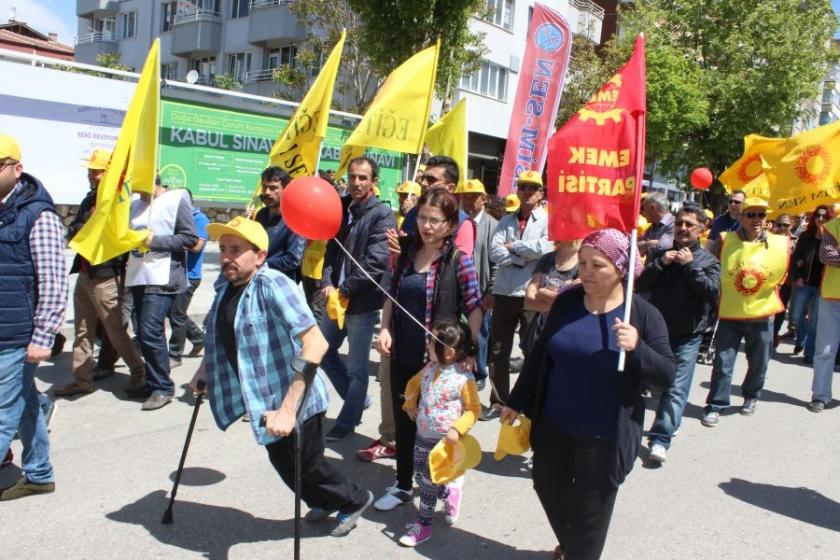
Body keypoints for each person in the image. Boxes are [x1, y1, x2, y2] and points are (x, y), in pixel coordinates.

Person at [189, 217, 372, 536]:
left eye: (236, 249)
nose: (227, 257)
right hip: (264, 402)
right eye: (223, 249)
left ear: (259, 256)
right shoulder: (226, 289)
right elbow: (219, 338)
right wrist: (203, 371)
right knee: (287, 465)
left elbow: (316, 342)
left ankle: (354, 500)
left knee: (308, 466)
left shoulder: (273, 284)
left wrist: (289, 410)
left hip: (295, 401)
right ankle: (326, 500)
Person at [502, 229, 675, 560]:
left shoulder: (641, 314)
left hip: (605, 436)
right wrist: (516, 401)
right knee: (547, 487)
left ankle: (580, 550)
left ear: (621, 268)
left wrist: (637, 347)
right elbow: (540, 355)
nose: (586, 273)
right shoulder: (568, 300)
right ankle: (574, 544)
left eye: (598, 265)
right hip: (554, 424)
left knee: (591, 516)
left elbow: (667, 373)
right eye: (582, 263)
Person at [374, 189, 482, 512]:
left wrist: (465, 347)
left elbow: (475, 307)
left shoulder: (458, 261)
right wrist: (384, 328)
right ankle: (404, 484)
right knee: (406, 419)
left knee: (435, 427)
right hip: (402, 353)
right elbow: (391, 295)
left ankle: (447, 481)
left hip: (437, 363)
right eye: (422, 217)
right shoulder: (406, 251)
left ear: (450, 224)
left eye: (435, 220)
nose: (427, 226)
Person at [0, 134, 68, 501]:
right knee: (24, 403)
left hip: (15, 334)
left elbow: (54, 281)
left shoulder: (38, 216)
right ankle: (39, 474)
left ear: (17, 168)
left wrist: (44, 335)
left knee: (1, 415)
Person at [55, 149, 148, 397]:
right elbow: (75, 228)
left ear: (108, 173)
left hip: (106, 275)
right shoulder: (90, 199)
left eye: (97, 171)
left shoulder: (118, 203)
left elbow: (119, 238)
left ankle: (139, 372)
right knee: (82, 330)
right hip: (85, 273)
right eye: (91, 170)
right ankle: (81, 379)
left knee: (115, 331)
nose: (92, 175)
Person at [319, 157, 396, 441]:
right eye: (352, 177)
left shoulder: (382, 215)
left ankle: (348, 420)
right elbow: (331, 249)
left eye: (363, 178)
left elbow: (375, 265)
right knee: (322, 351)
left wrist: (344, 290)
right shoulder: (341, 208)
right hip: (335, 300)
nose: (356, 183)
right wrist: (327, 281)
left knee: (356, 368)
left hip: (360, 304)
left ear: (373, 181)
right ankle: (358, 399)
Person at [636, 206, 720, 463]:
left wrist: (691, 267)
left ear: (701, 230)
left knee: (675, 389)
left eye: (690, 225)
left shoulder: (708, 261)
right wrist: (661, 264)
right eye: (680, 223)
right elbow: (641, 284)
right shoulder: (662, 254)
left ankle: (660, 438)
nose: (683, 228)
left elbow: (713, 294)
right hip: (655, 333)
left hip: (688, 335)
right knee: (653, 385)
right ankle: (662, 420)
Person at [702, 198, 789, 426]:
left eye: (761, 215)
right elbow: (711, 268)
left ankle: (751, 396)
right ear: (740, 217)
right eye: (751, 215)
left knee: (759, 361)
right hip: (731, 313)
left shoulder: (779, 243)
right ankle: (716, 404)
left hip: (761, 314)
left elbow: (780, 276)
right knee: (723, 362)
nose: (757, 220)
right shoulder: (725, 240)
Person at [398, 321, 481, 547]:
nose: (427, 346)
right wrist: (410, 403)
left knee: (427, 482)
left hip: (445, 442)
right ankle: (449, 492)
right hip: (423, 434)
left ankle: (424, 525)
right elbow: (412, 385)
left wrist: (457, 428)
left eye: (432, 343)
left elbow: (474, 409)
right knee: (420, 475)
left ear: (450, 351)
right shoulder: (429, 369)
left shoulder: (464, 379)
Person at [483, 170, 552, 420]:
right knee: (498, 350)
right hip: (504, 292)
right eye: (523, 187)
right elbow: (494, 251)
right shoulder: (506, 221)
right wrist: (521, 257)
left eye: (533, 187)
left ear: (541, 192)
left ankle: (525, 399)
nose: (527, 191)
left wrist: (513, 248)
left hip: (531, 293)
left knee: (531, 349)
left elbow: (546, 248)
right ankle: (499, 402)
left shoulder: (547, 220)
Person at [125, 181, 198, 410]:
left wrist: (153, 241)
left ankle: (163, 387)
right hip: (138, 276)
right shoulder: (135, 204)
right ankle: (153, 380)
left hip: (162, 278)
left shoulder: (175, 199)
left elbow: (189, 238)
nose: (136, 190)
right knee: (143, 332)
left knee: (150, 330)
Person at [459, 178, 498, 383]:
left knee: (480, 334)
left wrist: (491, 290)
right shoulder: (458, 222)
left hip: (480, 290)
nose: (468, 200)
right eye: (465, 196)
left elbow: (496, 262)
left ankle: (479, 372)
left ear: (483, 199)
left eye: (473, 197)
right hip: (458, 287)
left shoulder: (493, 226)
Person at [398, 155, 475, 255]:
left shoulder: (462, 224)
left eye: (431, 179)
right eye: (423, 178)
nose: (423, 183)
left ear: (450, 188)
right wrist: (398, 254)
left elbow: (458, 266)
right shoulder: (413, 213)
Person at [167, 189, 209, 366]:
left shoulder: (200, 219)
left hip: (190, 275)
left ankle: (174, 355)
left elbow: (197, 246)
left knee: (176, 314)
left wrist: (175, 238)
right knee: (175, 312)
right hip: (176, 273)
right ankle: (199, 338)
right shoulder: (174, 218)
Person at [790, 206, 834, 363]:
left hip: (822, 285)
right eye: (818, 216)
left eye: (824, 217)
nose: (820, 219)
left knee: (814, 320)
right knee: (796, 315)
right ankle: (801, 339)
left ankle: (809, 353)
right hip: (804, 282)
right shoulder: (805, 236)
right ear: (814, 218)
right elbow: (797, 258)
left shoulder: (832, 237)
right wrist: (798, 275)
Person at [523, 240, 581, 354]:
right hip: (538, 334)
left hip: (564, 335)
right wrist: (560, 299)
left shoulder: (583, 262)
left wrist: (541, 292)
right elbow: (529, 302)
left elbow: (573, 304)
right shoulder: (547, 259)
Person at [808, 213, 840, 412]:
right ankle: (820, 395)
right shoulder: (832, 226)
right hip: (832, 297)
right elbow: (827, 255)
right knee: (825, 350)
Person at [254, 167, 306, 281]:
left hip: (280, 285)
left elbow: (293, 259)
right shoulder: (261, 214)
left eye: (273, 188)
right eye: (264, 187)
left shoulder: (296, 219)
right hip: (256, 280)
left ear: (286, 189)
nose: (267, 192)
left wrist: (261, 264)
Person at [770, 214, 797, 349]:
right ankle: (766, 336)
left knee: (780, 310)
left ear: (791, 225)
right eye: (779, 224)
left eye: (785, 225)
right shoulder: (768, 238)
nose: (781, 228)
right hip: (768, 281)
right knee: (768, 311)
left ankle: (774, 333)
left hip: (786, 282)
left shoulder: (795, 241)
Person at [637, 192, 674, 258]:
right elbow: (636, 248)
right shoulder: (652, 226)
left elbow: (662, 247)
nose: (642, 213)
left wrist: (646, 244)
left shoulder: (674, 224)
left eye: (643, 208)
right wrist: (650, 243)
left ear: (652, 208)